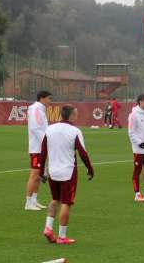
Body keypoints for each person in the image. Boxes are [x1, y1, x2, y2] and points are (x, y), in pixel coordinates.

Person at [40, 105, 94, 245]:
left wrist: (41, 171)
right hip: (68, 172)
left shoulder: (49, 129)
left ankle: (48, 228)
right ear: (71, 115)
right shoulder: (75, 131)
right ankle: (62, 237)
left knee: (55, 199)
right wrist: (90, 168)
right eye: (76, 113)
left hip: (53, 171)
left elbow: (43, 151)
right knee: (66, 203)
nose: (77, 116)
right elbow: (83, 153)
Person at [26, 90, 52, 210]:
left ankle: (34, 200)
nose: (50, 101)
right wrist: (46, 142)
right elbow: (36, 128)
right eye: (48, 98)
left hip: (41, 147)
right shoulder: (36, 109)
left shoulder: (40, 109)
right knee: (34, 174)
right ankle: (28, 202)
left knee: (39, 175)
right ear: (42, 98)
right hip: (37, 147)